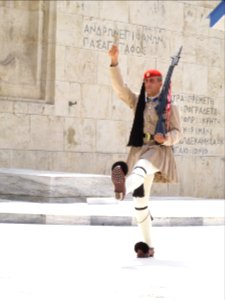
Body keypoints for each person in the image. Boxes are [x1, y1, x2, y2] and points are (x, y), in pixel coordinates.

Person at [108, 45, 182, 258]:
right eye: (146, 81)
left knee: (139, 171)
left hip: (158, 151)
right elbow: (120, 88)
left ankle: (122, 189)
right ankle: (147, 246)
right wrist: (114, 63)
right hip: (139, 149)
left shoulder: (170, 107)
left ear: (160, 84)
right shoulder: (139, 102)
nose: (147, 83)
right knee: (140, 201)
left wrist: (166, 138)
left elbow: (178, 132)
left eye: (152, 81)